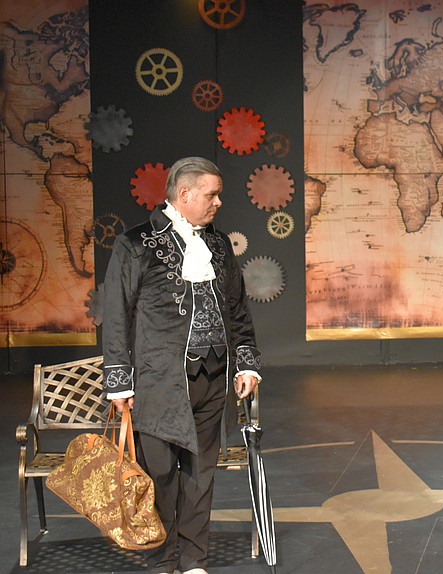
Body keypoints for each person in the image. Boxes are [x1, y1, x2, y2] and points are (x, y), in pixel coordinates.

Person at [103, 157, 262, 574]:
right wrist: (119, 382)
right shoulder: (136, 244)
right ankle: (162, 559)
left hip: (213, 377)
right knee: (159, 475)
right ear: (184, 193)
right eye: (212, 195)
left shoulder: (219, 245)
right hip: (159, 382)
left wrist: (246, 364)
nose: (218, 202)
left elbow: (238, 309)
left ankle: (193, 561)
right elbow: (116, 315)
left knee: (200, 475)